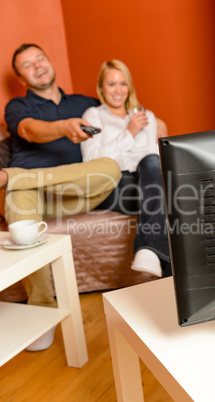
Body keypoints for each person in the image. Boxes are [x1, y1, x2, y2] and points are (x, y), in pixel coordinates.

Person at [1, 44, 122, 351]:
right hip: (34, 195)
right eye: (28, 65)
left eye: (40, 58)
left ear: (49, 60)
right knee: (18, 198)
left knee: (109, 167)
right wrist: (64, 127)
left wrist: (151, 125)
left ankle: (13, 175)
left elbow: (123, 114)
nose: (37, 65)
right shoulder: (17, 106)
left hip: (76, 191)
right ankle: (41, 310)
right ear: (23, 79)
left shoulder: (85, 103)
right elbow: (31, 130)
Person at [81, 60, 171, 278]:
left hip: (146, 180)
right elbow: (91, 159)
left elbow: (151, 158)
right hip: (112, 184)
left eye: (123, 84)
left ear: (129, 87)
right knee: (171, 202)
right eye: (111, 84)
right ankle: (153, 255)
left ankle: (149, 251)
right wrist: (129, 133)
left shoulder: (145, 116)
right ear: (101, 88)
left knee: (152, 162)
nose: (118, 90)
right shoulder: (92, 116)